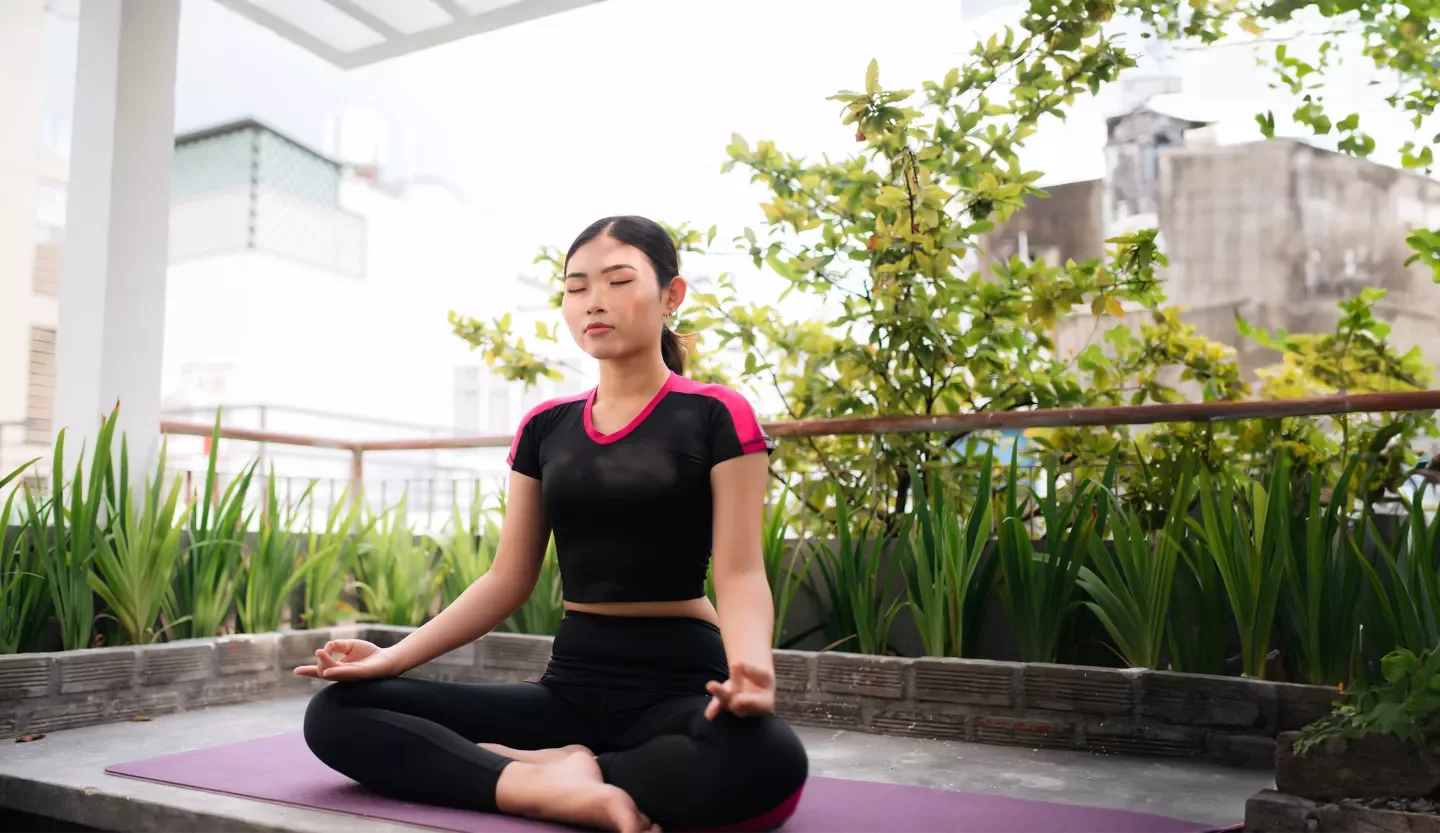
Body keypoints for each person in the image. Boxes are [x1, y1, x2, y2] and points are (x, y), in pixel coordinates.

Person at [297, 215, 810, 833]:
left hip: (679, 682)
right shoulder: (546, 427)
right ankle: (546, 784)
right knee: (340, 713)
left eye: (619, 281)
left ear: (671, 295)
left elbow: (740, 570)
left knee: (766, 760)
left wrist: (752, 670)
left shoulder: (715, 413)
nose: (594, 301)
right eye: (576, 287)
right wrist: (391, 660)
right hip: (568, 685)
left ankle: (545, 767)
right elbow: (506, 580)